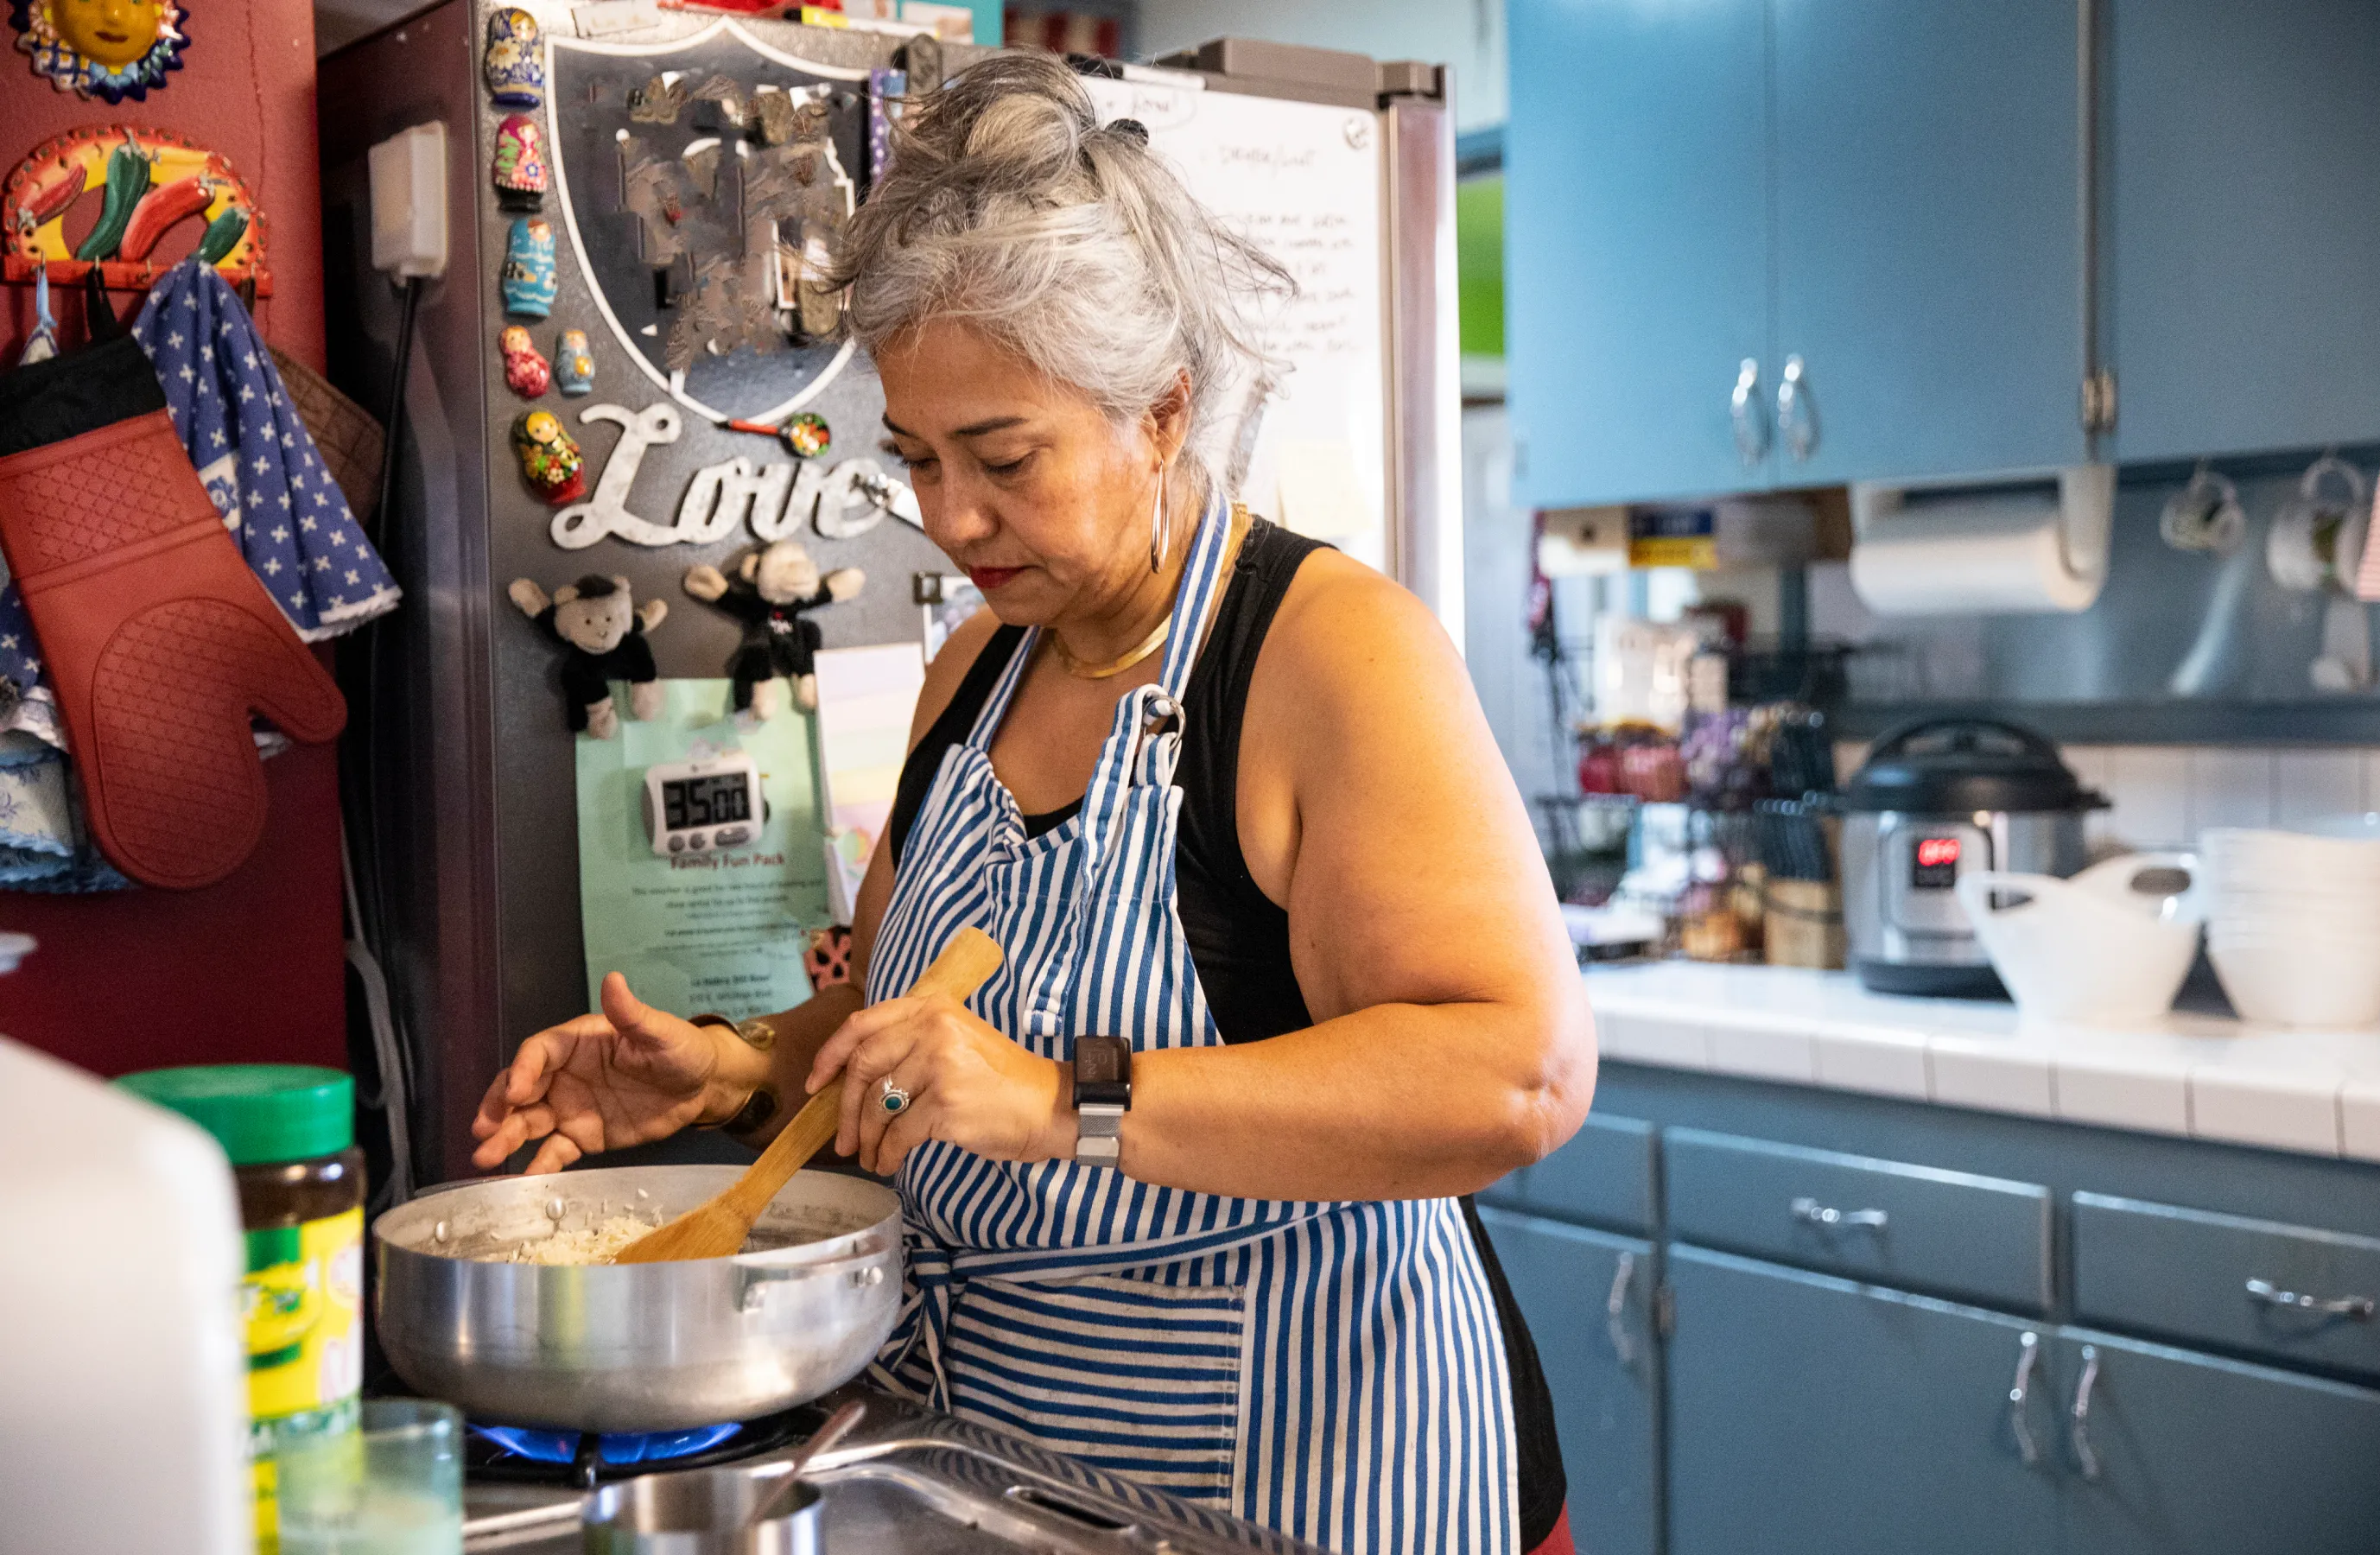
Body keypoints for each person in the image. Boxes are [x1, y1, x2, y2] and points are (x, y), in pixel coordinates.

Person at [472, 54, 1596, 1555]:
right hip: (1000, 1478)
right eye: (919, 459)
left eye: (1005, 458)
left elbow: (1511, 1076)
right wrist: (741, 1070)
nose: (951, 519)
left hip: (1310, 1485)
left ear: (1160, 412)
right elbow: (897, 1022)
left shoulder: (1327, 654)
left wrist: (1071, 1100)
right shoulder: (980, 670)